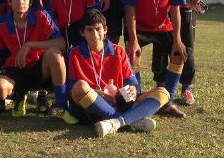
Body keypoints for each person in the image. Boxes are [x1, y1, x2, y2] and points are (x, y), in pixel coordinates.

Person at [66, 9, 170, 137]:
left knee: (163, 92)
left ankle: (116, 123)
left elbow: (132, 85)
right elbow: (72, 91)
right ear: (82, 32)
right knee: (80, 86)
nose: (94, 34)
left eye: (98, 29)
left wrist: (132, 89)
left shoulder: (118, 51)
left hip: (119, 101)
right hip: (92, 106)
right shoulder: (75, 53)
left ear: (105, 30)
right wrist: (96, 94)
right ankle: (130, 120)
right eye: (89, 30)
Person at [0, 0, 67, 117]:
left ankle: (60, 104)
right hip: (15, 71)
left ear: (30, 1)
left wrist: (30, 45)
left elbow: (61, 43)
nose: (20, 2)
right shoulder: (0, 24)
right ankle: (19, 98)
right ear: (9, 2)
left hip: (39, 69)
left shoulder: (41, 16)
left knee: (54, 54)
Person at [123, 0, 188, 119]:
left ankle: (165, 101)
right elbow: (130, 9)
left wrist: (177, 40)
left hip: (162, 26)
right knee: (132, 55)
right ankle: (136, 99)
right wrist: (134, 40)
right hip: (140, 26)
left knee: (179, 54)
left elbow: (175, 10)